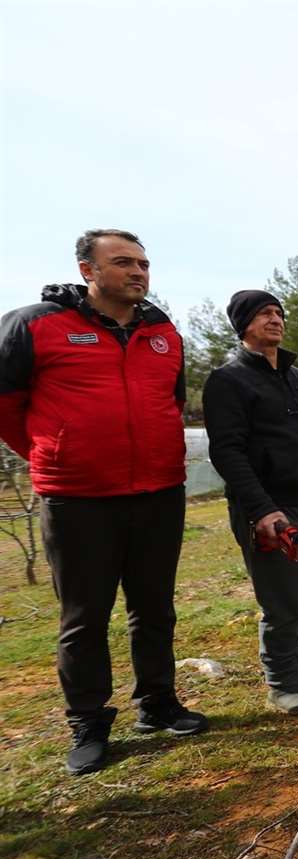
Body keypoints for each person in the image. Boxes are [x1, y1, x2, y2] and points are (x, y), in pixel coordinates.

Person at [0, 229, 208, 774]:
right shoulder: (34, 325)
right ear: (87, 270)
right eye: (123, 263)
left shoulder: (164, 331)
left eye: (143, 263)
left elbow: (173, 401)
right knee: (84, 617)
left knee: (154, 606)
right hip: (77, 499)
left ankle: (158, 703)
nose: (138, 272)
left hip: (160, 491)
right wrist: (55, 456)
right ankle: (88, 724)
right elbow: (7, 408)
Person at [203, 290, 298, 716]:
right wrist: (261, 509)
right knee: (281, 600)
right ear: (243, 324)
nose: (275, 320)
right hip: (271, 510)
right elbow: (227, 453)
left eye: (278, 313)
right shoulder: (229, 381)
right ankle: (282, 684)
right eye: (263, 314)